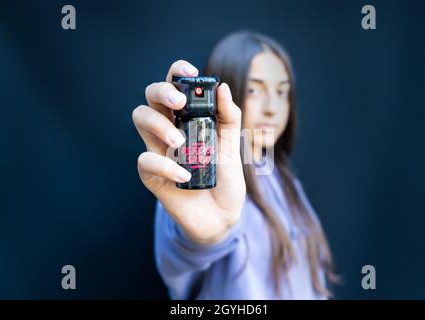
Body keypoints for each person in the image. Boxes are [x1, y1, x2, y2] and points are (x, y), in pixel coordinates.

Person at [132, 31, 338, 299]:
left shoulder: (283, 178)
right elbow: (183, 250)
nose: (272, 107)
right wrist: (209, 237)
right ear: (218, 95)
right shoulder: (194, 177)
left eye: (282, 92)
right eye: (255, 90)